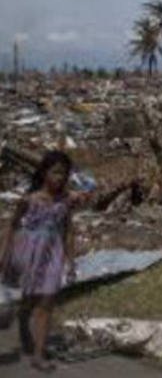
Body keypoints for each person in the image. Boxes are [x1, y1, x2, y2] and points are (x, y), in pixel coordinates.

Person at [1, 151, 77, 372]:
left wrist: (71, 263)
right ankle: (24, 320)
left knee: (47, 301)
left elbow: (69, 231)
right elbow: (13, 226)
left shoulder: (66, 202)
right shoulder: (30, 200)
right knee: (30, 297)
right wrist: (4, 255)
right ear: (44, 173)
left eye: (64, 173)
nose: (60, 178)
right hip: (28, 252)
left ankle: (38, 355)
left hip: (53, 254)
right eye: (55, 172)